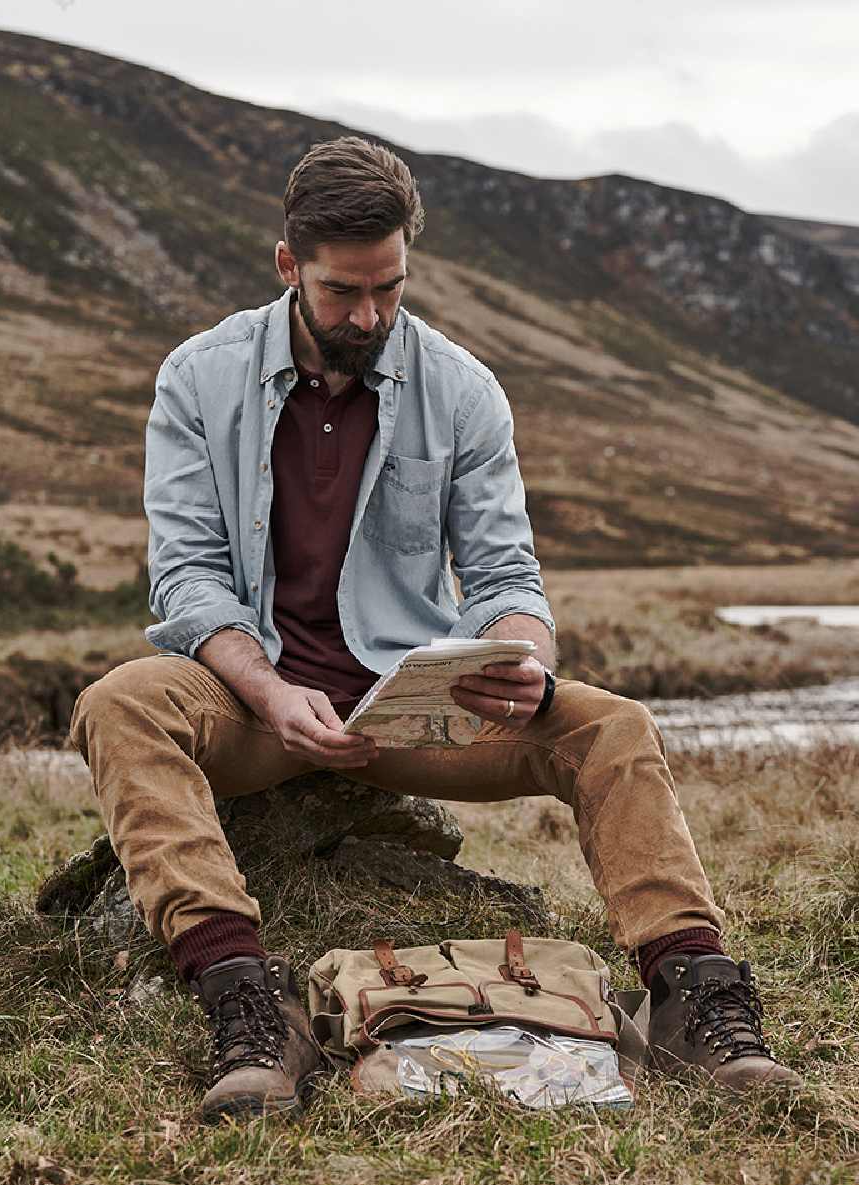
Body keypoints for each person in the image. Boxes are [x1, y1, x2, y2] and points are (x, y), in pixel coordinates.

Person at [70, 136, 800, 1122]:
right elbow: (188, 578)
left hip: (414, 708)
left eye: (390, 288)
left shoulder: (463, 388)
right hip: (255, 699)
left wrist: (526, 664)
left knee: (609, 724)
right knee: (118, 702)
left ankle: (695, 998)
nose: (369, 316)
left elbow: (505, 576)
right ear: (289, 266)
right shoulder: (195, 378)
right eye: (342, 293)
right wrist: (272, 694)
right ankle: (246, 1001)